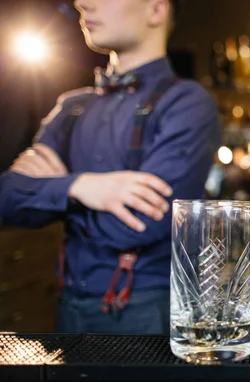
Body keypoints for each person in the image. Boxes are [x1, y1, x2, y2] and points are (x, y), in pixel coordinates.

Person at [0, 0, 221, 334]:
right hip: (65, 309)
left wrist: (54, 196)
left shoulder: (188, 104)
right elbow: (6, 199)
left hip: (146, 311)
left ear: (156, 10)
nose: (83, 3)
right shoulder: (71, 106)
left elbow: (140, 224)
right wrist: (81, 187)